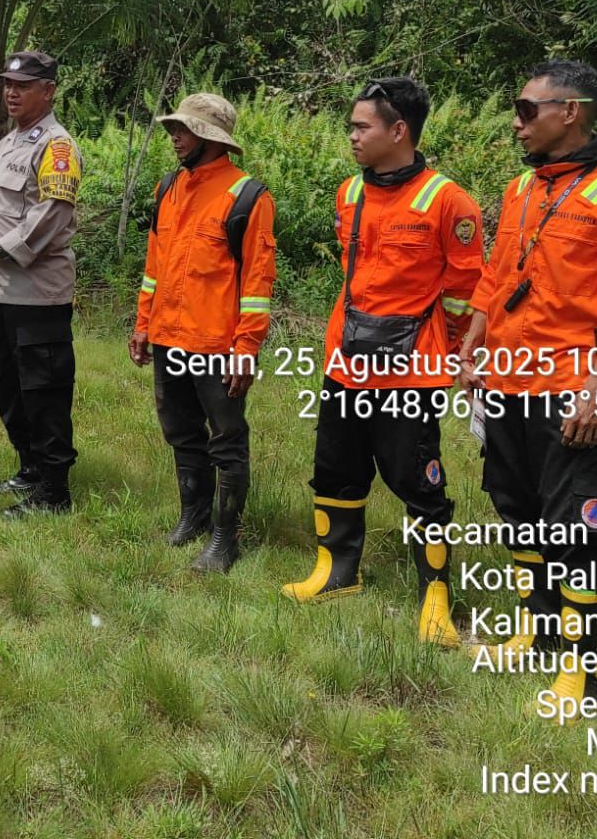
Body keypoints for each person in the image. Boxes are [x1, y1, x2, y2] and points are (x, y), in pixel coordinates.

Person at [456, 60, 597, 717]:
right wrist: (472, 344)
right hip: (505, 377)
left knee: (576, 525)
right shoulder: (523, 187)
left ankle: (583, 668)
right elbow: (496, 276)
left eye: (526, 110)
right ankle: (536, 631)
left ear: (569, 111)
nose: (516, 123)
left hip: (569, 385)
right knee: (514, 505)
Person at [279, 78, 484, 646]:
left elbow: (467, 292)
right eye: (351, 126)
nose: (351, 135)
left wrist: (460, 354)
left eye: (361, 126)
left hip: (412, 370)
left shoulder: (448, 201)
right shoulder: (350, 193)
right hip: (346, 362)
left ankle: (435, 597)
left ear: (399, 131)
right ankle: (336, 572)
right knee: (335, 469)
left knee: (417, 480)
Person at [128, 93, 277, 573]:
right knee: (180, 431)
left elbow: (257, 283)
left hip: (218, 345)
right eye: (174, 128)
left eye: (185, 130)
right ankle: (192, 517)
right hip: (169, 337)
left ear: (212, 139)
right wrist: (144, 324)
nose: (175, 137)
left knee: (226, 439)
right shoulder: (169, 188)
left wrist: (246, 348)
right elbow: (155, 266)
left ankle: (224, 538)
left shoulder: (248, 197)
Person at [0, 51, 83, 519]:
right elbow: (9, 202)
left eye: (23, 85)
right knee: (13, 389)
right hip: (4, 290)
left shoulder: (58, 148)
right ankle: (30, 469)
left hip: (38, 293)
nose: (11, 92)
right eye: (8, 84)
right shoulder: (9, 143)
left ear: (48, 91)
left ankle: (54, 491)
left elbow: (51, 216)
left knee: (44, 390)